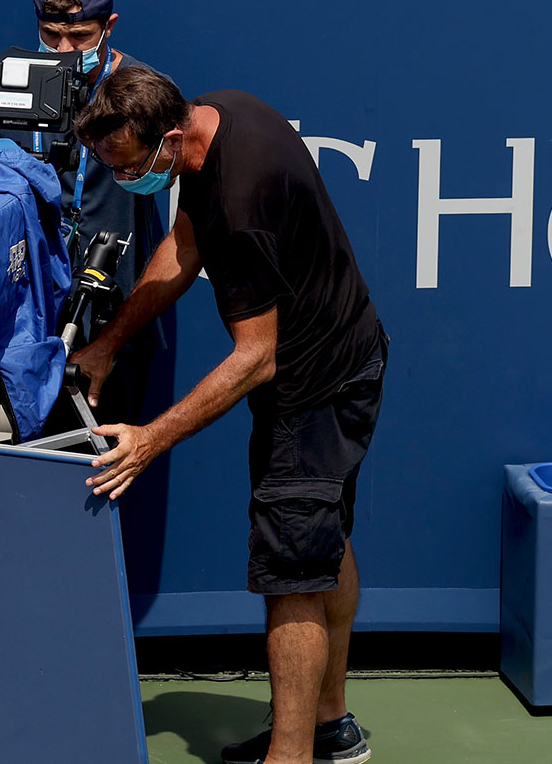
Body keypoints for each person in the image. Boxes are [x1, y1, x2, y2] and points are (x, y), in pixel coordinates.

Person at [69, 66, 386, 764]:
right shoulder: (221, 113)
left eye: (128, 166)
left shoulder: (243, 199)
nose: (122, 181)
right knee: (320, 536)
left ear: (173, 137)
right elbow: (183, 245)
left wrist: (151, 438)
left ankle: (293, 754)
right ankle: (329, 720)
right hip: (347, 355)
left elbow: (254, 358)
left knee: (292, 569)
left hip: (314, 383)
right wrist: (107, 345)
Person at [28, 0, 170, 429]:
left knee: (98, 474)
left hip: (114, 314)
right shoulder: (9, 90)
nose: (65, 49)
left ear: (108, 27)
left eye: (80, 36)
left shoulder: (143, 94)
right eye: (51, 36)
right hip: (29, 317)